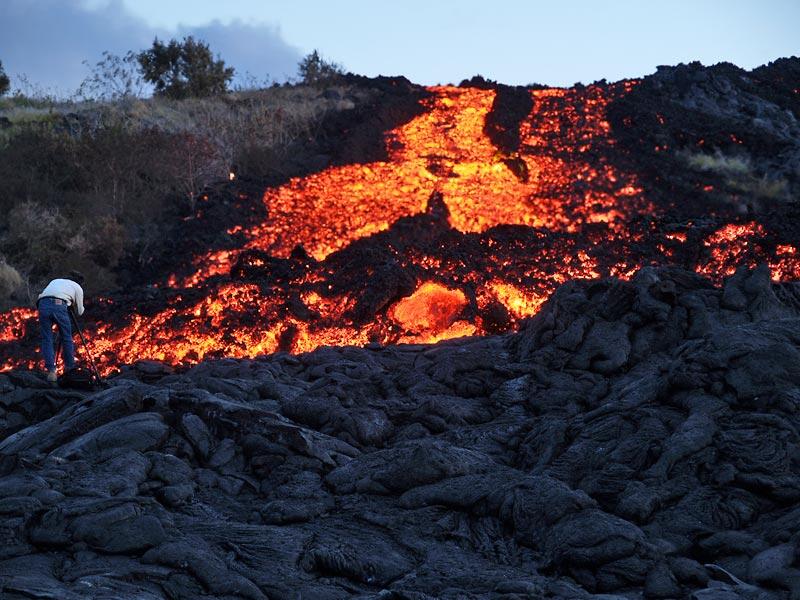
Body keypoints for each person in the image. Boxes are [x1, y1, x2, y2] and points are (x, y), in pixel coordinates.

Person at [37, 271, 85, 382]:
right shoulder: (77, 287)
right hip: (59, 304)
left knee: (47, 339)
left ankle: (51, 372)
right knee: (66, 338)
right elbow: (80, 311)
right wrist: (72, 304)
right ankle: (69, 369)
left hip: (42, 304)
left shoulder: (55, 281)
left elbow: (47, 294)